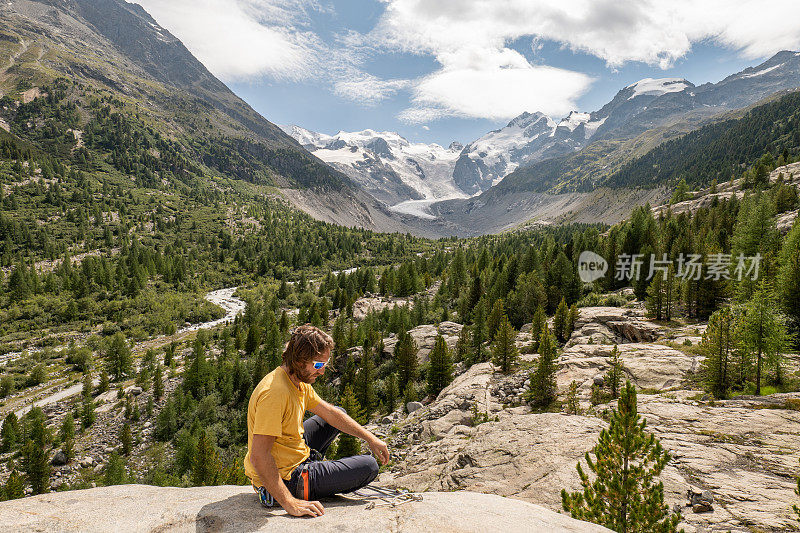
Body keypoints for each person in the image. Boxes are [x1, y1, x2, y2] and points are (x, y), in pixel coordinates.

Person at [244, 324, 390, 517]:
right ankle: (284, 488)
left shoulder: (297, 381)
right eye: (318, 365)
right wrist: (290, 503)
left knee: (338, 412)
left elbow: (330, 413)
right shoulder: (275, 393)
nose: (322, 372)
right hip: (288, 477)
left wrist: (370, 438)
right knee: (369, 467)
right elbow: (259, 456)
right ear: (299, 360)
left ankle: (310, 466)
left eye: (325, 365)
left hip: (289, 454)